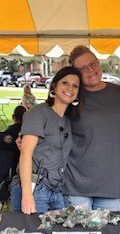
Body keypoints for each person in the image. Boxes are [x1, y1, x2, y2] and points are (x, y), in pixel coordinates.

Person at [11, 67, 82, 214]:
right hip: (35, 188)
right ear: (55, 86)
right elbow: (25, 153)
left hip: (57, 191)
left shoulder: (67, 121)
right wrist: (27, 195)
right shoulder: (38, 112)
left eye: (75, 86)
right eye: (65, 83)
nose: (70, 88)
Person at [63, 45, 120, 212]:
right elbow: (50, 118)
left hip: (109, 183)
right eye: (82, 68)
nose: (90, 70)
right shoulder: (71, 95)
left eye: (93, 64)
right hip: (76, 182)